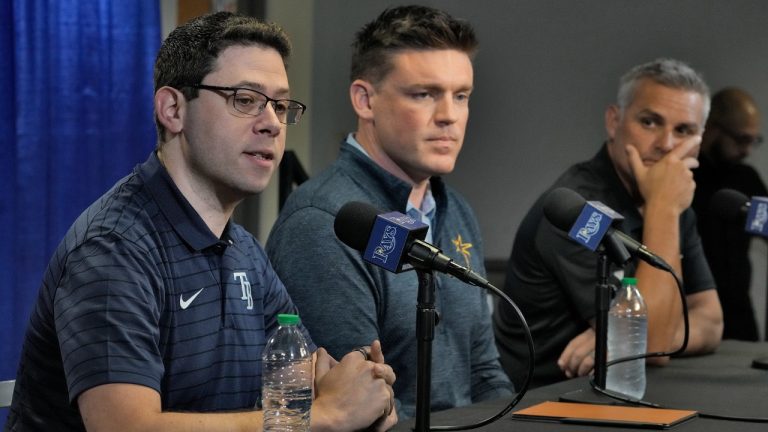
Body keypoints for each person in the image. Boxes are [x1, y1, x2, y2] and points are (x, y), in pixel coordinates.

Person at [5, 12, 397, 432]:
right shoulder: (113, 249)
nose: (270, 124)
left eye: (280, 105)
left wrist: (360, 389)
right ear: (173, 109)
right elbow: (124, 426)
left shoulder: (245, 252)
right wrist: (324, 415)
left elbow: (307, 381)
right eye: (245, 100)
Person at [266, 5, 514, 418]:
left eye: (461, 96)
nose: (449, 116)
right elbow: (361, 408)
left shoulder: (455, 209)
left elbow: (485, 371)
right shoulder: (325, 223)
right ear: (365, 100)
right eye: (424, 94)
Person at [494, 58, 724, 389]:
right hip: (541, 399)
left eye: (684, 130)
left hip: (615, 389)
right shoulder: (576, 208)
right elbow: (655, 342)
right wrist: (635, 336)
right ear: (614, 121)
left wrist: (624, 336)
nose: (667, 145)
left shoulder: (674, 203)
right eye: (649, 122)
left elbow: (711, 320)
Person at [692, 87, 767, 341]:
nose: (747, 150)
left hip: (739, 315)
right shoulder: (685, 177)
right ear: (713, 129)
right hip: (692, 313)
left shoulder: (747, 179)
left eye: (752, 141)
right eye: (740, 139)